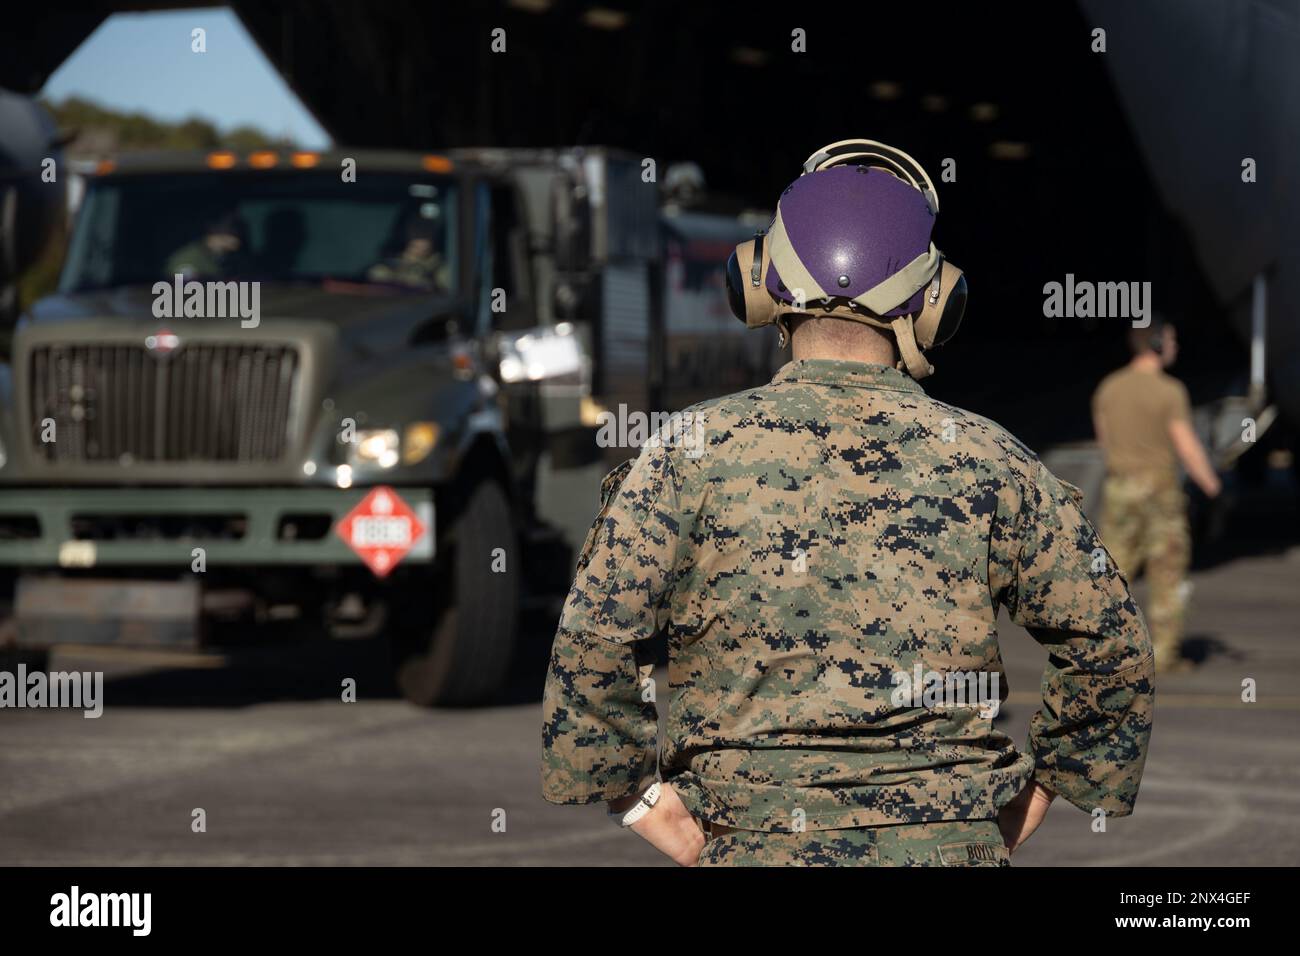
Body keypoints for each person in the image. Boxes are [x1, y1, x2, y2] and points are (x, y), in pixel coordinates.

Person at [541, 139, 1154, 866]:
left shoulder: (687, 452)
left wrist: (640, 800)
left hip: (748, 843)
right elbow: (1110, 644)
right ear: (935, 303)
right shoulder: (993, 459)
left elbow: (594, 635)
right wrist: (1040, 793)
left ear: (759, 285)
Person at [1092, 319, 1221, 673]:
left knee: (1112, 574)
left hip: (1119, 489)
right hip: (1160, 492)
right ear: (1157, 343)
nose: (1176, 346)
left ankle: (1105, 650)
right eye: (1172, 339)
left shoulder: (1108, 388)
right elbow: (1186, 445)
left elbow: (1105, 442)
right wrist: (1213, 486)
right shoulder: (1170, 391)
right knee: (1167, 575)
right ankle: (1164, 655)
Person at [166, 211, 249, 278]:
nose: (237, 231)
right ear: (212, 227)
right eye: (232, 225)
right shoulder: (186, 260)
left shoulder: (235, 258)